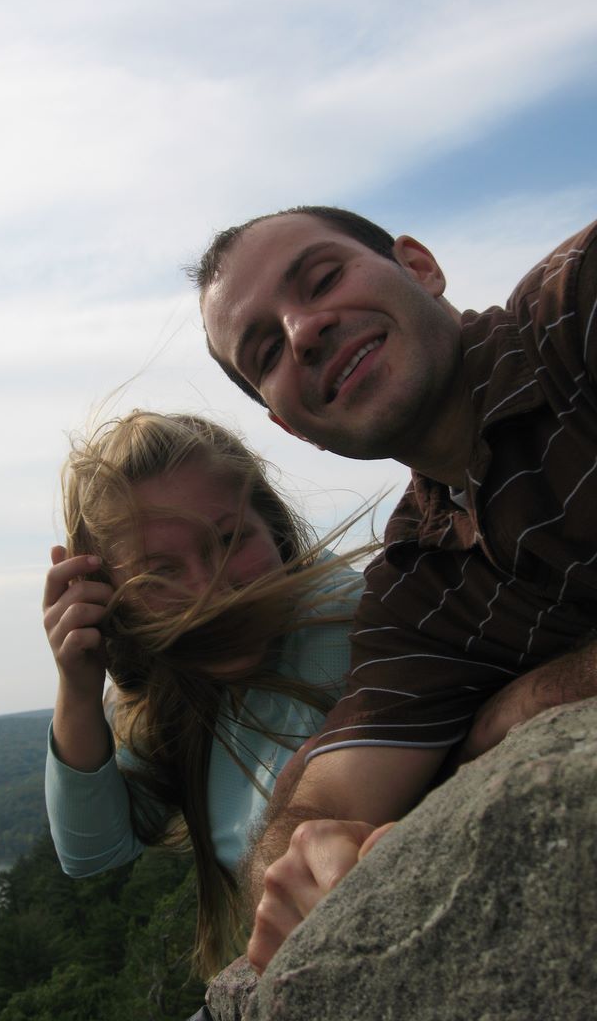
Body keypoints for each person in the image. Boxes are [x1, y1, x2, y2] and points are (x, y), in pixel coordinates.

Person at [194, 206, 597, 970]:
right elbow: (322, 803)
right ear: (291, 426)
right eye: (268, 351)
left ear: (419, 266)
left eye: (323, 279)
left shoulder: (577, 309)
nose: (304, 331)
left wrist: (522, 705)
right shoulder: (419, 581)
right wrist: (306, 863)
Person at [42, 409, 371, 977]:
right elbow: (92, 852)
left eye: (230, 538)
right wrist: (78, 684)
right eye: (160, 571)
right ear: (110, 597)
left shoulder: (356, 623)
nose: (210, 590)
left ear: (274, 528)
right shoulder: (176, 690)